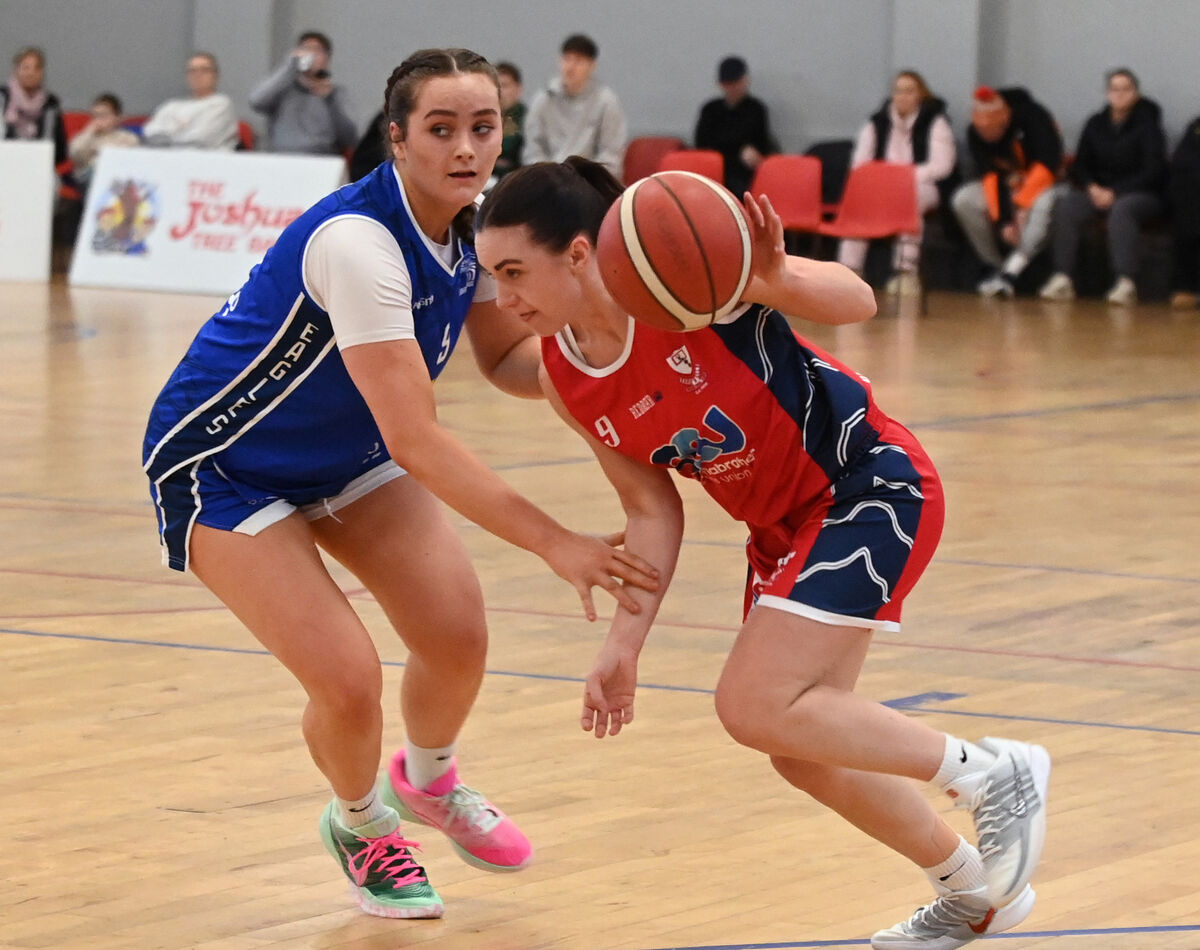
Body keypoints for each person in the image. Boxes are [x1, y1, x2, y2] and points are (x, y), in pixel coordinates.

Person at [474, 158, 1051, 950]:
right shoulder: (568, 377)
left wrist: (772, 276)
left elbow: (859, 300)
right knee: (797, 746)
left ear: (580, 253)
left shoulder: (688, 283)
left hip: (866, 482)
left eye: (514, 273)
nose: (502, 300)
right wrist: (623, 645)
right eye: (490, 278)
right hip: (783, 530)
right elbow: (650, 509)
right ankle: (971, 891)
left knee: (752, 705)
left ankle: (990, 775)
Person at [141, 50, 658, 921]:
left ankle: (428, 782)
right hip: (223, 462)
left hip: (346, 453)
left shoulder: (481, 228)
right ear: (397, 138)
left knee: (456, 634)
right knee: (347, 679)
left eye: (483, 128)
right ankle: (357, 822)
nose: (466, 148)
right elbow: (417, 437)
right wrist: (555, 540)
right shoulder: (360, 244)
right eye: (441, 129)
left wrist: (603, 365)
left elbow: (503, 359)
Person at [1039, 69, 1167, 305]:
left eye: (1125, 89)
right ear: (1107, 93)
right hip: (1097, 191)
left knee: (1122, 210)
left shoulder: (1149, 126)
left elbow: (1154, 171)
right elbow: (1080, 165)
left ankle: (1125, 281)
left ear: (1136, 93)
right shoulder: (1095, 124)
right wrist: (1091, 187)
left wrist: (1116, 192)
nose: (1119, 94)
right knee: (1068, 205)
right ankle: (1062, 277)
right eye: (1114, 89)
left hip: (1140, 194)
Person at [838, 70, 957, 297]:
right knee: (859, 200)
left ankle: (906, 272)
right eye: (898, 91)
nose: (902, 96)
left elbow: (942, 166)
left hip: (922, 183)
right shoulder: (877, 122)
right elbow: (859, 164)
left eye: (909, 91)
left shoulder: (936, 121)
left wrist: (902, 179)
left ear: (920, 95)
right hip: (882, 185)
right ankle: (849, 270)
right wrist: (884, 180)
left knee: (910, 199)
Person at [951, 86, 1063, 297]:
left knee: (1043, 205)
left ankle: (1015, 267)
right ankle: (994, 267)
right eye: (981, 130)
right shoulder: (975, 134)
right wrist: (1003, 221)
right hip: (1007, 185)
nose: (987, 136)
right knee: (963, 199)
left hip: (1042, 183)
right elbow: (991, 177)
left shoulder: (1035, 118)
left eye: (992, 129)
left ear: (1005, 119)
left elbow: (1047, 166)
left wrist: (1021, 205)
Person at [522, 34, 627, 178]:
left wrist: (581, 179)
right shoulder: (544, 99)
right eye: (566, 59)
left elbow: (610, 156)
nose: (570, 67)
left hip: (590, 182)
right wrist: (549, 176)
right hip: (548, 180)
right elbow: (532, 151)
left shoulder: (606, 101)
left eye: (578, 61)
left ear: (592, 66)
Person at [248, 30, 359, 156]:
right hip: (280, 158)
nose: (310, 54)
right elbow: (256, 101)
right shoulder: (282, 89)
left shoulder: (336, 93)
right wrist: (290, 66)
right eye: (305, 48)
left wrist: (329, 98)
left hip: (320, 160)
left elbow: (350, 137)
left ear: (327, 59)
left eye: (317, 50)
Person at [693, 55, 778, 197]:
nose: (732, 88)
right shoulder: (710, 110)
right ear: (720, 85)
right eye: (728, 84)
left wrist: (756, 155)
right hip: (716, 167)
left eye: (736, 82)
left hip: (742, 171)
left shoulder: (756, 109)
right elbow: (702, 143)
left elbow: (761, 143)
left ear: (746, 80)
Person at [141, 51, 239, 150]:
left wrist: (170, 136)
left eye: (204, 70)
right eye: (192, 71)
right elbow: (150, 132)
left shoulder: (221, 104)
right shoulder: (171, 105)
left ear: (215, 76)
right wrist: (179, 135)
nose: (197, 75)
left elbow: (201, 138)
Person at [1, 46, 67, 165]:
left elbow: (60, 150)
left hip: (39, 165)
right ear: (16, 70)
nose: (31, 73)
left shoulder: (51, 103)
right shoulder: (2, 98)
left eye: (37, 68)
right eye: (26, 68)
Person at [67, 92, 140, 191]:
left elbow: (134, 162)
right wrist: (88, 133)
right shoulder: (88, 136)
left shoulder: (128, 138)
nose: (99, 120)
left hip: (118, 177)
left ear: (117, 118)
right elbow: (74, 155)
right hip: (89, 176)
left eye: (104, 115)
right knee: (94, 173)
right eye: (95, 116)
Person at [1166, 113, 1200, 310]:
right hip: (1194, 194)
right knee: (1186, 208)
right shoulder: (1196, 126)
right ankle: (1186, 287)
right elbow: (1182, 160)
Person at [492, 61, 525, 180]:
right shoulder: (483, 117)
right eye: (496, 86)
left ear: (518, 88)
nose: (500, 92)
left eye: (505, 86)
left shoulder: (526, 118)